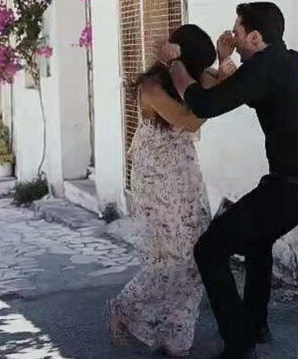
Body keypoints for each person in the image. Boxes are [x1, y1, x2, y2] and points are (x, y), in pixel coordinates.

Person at [155, 2, 298, 359]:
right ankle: (255, 326)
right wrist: (224, 58)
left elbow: (204, 104)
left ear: (255, 37)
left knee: (209, 251)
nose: (233, 39)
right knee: (257, 240)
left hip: (292, 188)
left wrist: (173, 62)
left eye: (237, 33)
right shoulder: (294, 61)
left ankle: (239, 345)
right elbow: (240, 91)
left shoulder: (263, 70)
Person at [105, 24, 234, 357]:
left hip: (185, 174)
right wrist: (212, 80)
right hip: (155, 179)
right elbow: (189, 119)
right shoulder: (150, 86)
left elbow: (215, 91)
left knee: (199, 254)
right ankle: (124, 307)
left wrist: (222, 62)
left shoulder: (193, 77)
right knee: (169, 259)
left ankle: (177, 337)